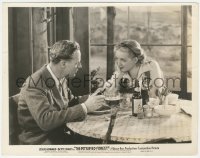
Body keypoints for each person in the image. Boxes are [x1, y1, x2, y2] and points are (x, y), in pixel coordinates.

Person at [17, 40, 105, 145]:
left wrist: (94, 97)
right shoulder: (34, 83)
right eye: (77, 63)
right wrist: (85, 107)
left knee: (98, 140)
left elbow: (70, 102)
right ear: (63, 63)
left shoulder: (60, 77)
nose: (80, 66)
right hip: (40, 142)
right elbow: (45, 121)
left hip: (59, 135)